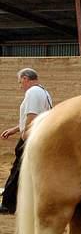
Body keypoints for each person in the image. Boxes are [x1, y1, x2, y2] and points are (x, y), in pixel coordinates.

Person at [0, 68, 52, 215]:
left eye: (20, 82)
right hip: (36, 135)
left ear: (25, 78)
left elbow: (32, 115)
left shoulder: (33, 92)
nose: (20, 86)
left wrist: (24, 134)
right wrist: (15, 129)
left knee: (18, 171)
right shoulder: (43, 92)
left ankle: (9, 204)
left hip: (30, 137)